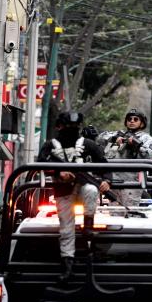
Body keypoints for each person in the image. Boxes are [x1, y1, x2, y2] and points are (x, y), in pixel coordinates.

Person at [37, 111, 111, 281]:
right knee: (66, 229)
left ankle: (88, 226)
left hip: (85, 187)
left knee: (92, 190)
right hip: (62, 190)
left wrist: (107, 180)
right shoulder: (50, 145)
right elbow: (41, 162)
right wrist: (58, 172)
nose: (72, 129)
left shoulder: (88, 144)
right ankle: (67, 264)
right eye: (68, 126)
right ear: (59, 126)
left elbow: (104, 165)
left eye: (75, 126)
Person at [97, 109, 152, 207]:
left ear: (142, 123)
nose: (132, 121)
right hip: (113, 182)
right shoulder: (119, 134)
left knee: (130, 212)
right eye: (129, 119)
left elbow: (148, 157)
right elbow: (99, 138)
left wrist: (135, 145)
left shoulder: (146, 139)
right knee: (114, 214)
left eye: (135, 119)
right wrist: (114, 138)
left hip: (132, 183)